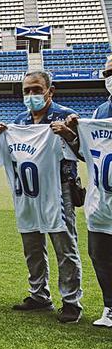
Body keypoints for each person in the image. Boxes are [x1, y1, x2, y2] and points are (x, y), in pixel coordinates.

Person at [0, 70, 83, 323]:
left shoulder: (67, 116)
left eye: (36, 89)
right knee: (31, 244)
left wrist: (68, 133)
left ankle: (71, 300)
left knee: (64, 244)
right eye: (26, 90)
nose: (31, 95)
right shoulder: (20, 120)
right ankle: (38, 294)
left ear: (49, 91)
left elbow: (83, 152)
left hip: (59, 186)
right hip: (28, 189)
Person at [72, 56, 112, 327]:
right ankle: (110, 307)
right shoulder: (99, 112)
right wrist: (71, 136)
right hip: (101, 203)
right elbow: (90, 155)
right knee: (100, 257)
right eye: (107, 72)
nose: (110, 76)